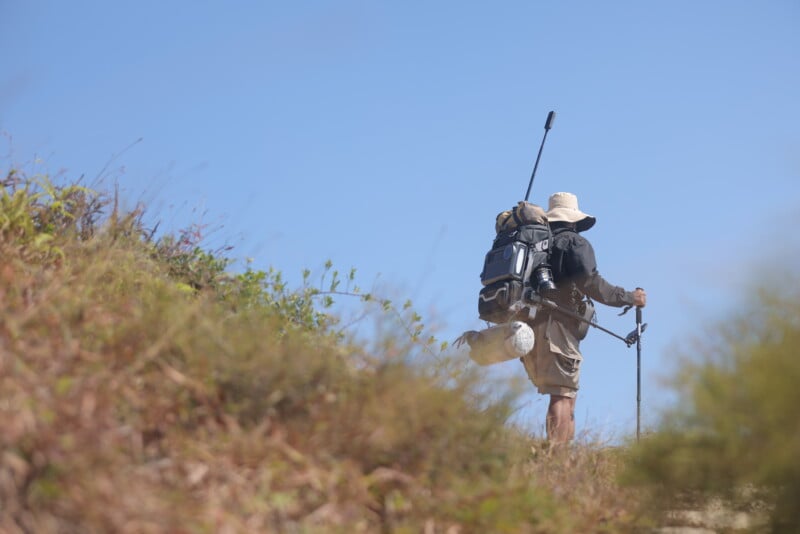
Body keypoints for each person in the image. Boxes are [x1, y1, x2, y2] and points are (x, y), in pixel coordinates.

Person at [520, 192, 647, 444]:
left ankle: (561, 457)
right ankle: (558, 460)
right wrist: (629, 297)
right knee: (563, 395)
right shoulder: (573, 242)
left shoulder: (535, 244)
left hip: (528, 327)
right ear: (574, 219)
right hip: (556, 327)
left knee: (564, 393)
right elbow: (591, 283)